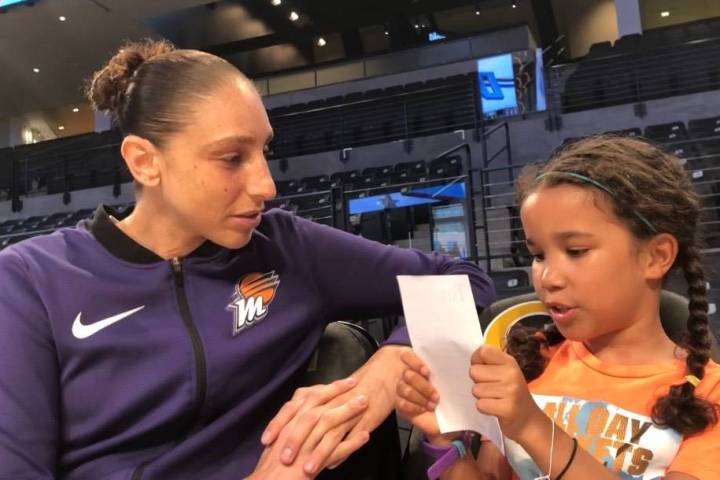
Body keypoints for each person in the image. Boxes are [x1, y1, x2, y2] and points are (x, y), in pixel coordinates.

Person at [0, 39, 497, 479]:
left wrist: (390, 366)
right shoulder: (30, 280)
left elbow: (461, 279)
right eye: (232, 157)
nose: (266, 185)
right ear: (144, 161)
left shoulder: (287, 247)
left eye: (264, 151)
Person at [397, 135, 720, 479]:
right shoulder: (529, 364)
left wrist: (533, 427)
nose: (547, 277)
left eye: (576, 251)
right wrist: (447, 442)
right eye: (537, 255)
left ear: (656, 256)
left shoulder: (709, 393)